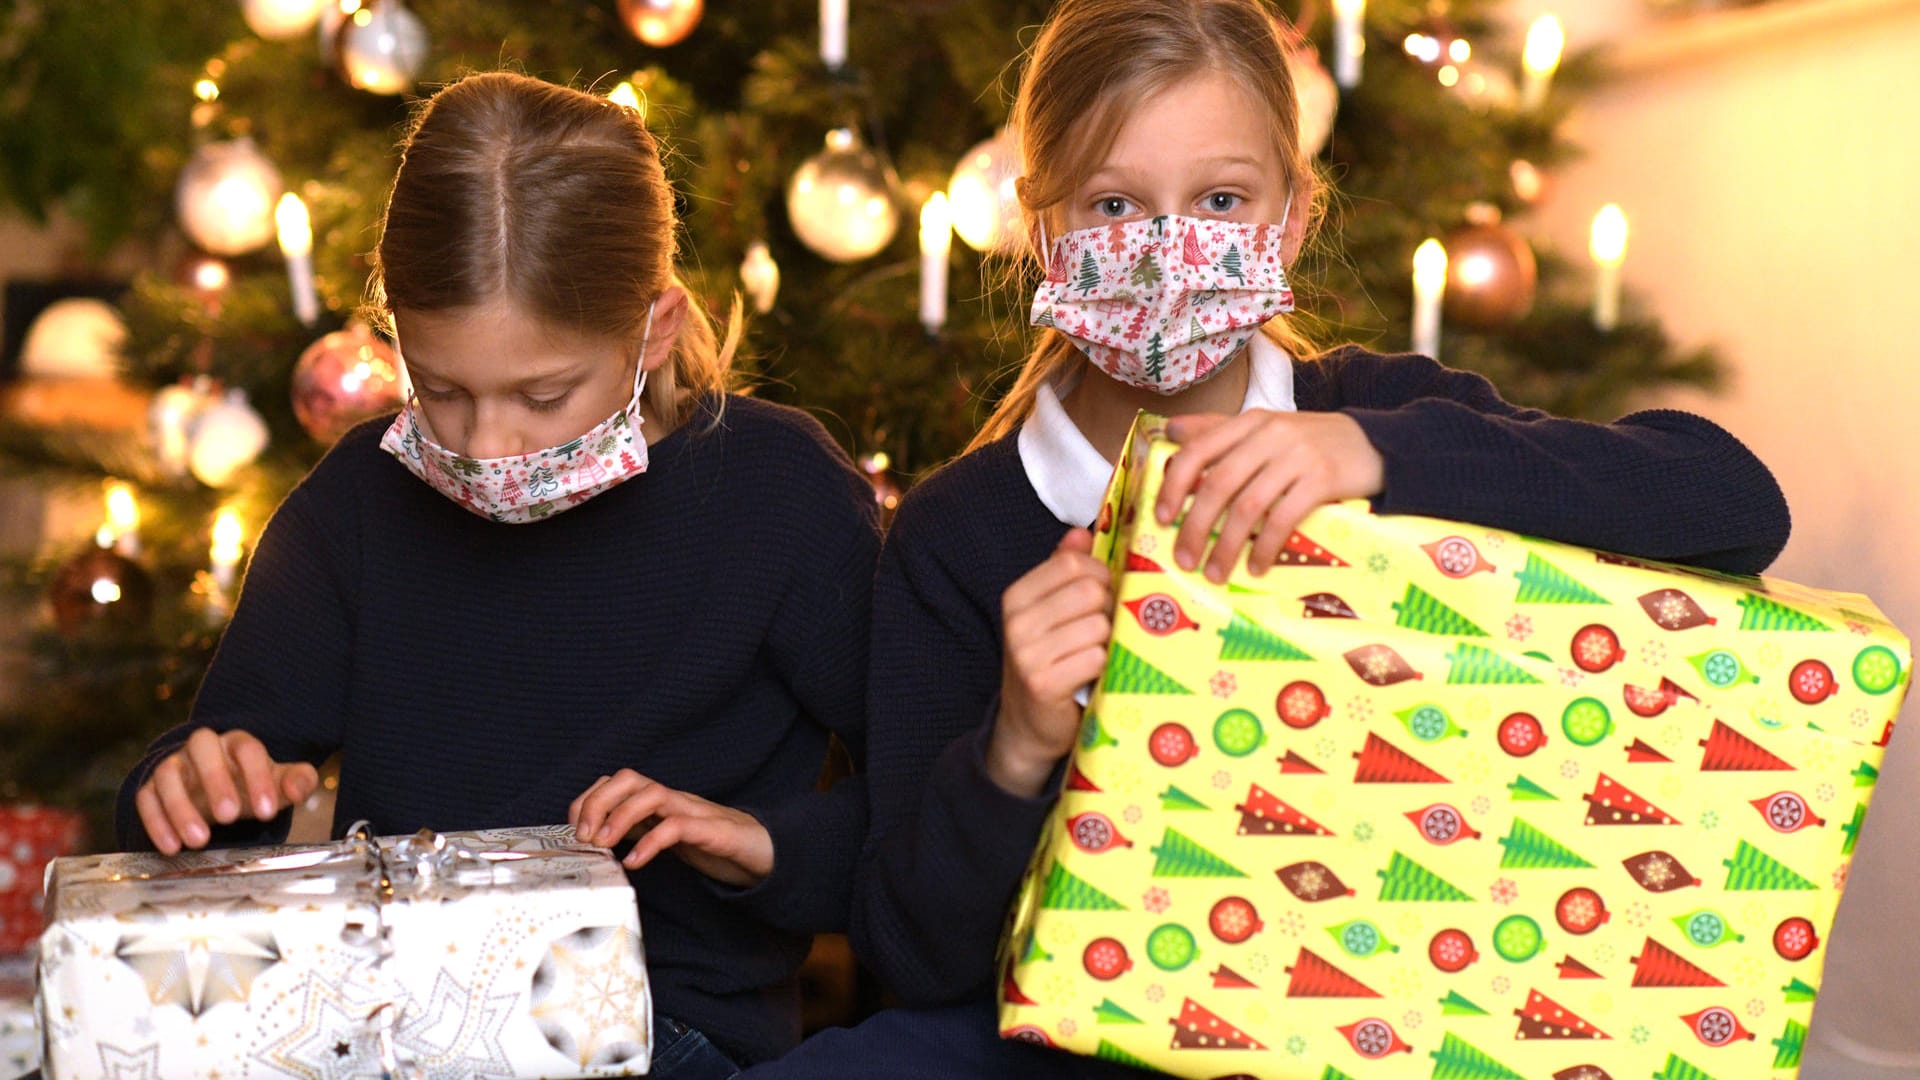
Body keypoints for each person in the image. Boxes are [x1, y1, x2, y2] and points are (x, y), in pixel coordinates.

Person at [749, 0, 1790, 1076]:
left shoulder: (1378, 413)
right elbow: (912, 958)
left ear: (1292, 218)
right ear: (1042, 225)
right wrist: (1010, 753)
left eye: (1220, 199)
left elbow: (1731, 502)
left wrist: (1379, 454)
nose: (1164, 249)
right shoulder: (960, 533)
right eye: (1112, 203)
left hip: (1397, 1005)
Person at [117, 72, 879, 1078]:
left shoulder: (779, 496)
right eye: (440, 390)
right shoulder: (359, 500)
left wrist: (761, 844)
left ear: (651, 331)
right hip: (391, 1023)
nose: (486, 445)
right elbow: (205, 786)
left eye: (543, 394)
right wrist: (192, 786)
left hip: (662, 1030)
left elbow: (938, 813)